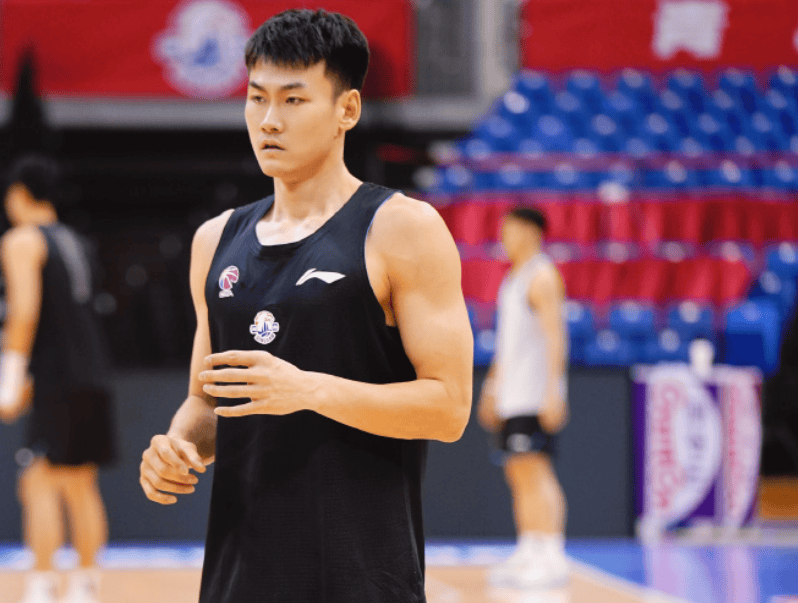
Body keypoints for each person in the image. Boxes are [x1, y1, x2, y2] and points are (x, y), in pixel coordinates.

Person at [138, 9, 473, 603]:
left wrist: (310, 390)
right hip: (238, 578)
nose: (269, 119)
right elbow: (208, 399)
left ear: (347, 109)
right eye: (256, 98)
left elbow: (448, 408)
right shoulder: (215, 240)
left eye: (293, 100)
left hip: (362, 578)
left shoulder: (402, 228)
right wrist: (178, 446)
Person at [0, 155, 115, 603]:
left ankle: (42, 586)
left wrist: (10, 381)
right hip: (94, 375)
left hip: (56, 377)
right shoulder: (77, 242)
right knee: (81, 485)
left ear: (18, 194)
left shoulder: (22, 240)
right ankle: (86, 585)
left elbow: (25, 312)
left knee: (38, 482)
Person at [477, 206, 569, 589]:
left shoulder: (542, 276)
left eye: (511, 229)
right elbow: (506, 345)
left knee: (537, 471)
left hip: (533, 394)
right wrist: (491, 388)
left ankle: (552, 555)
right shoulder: (512, 279)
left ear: (531, 232)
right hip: (512, 395)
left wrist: (554, 391)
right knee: (517, 472)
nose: (504, 236)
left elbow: (555, 335)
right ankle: (530, 549)